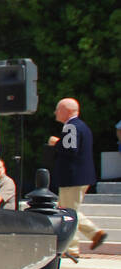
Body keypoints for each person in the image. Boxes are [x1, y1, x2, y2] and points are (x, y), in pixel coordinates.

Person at [49, 97, 106, 258]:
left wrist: (56, 143)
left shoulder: (71, 126)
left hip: (72, 177)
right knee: (69, 210)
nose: (55, 112)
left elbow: (69, 149)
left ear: (67, 111)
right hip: (80, 176)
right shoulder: (82, 126)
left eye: (58, 109)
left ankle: (71, 249)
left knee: (68, 213)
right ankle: (95, 234)